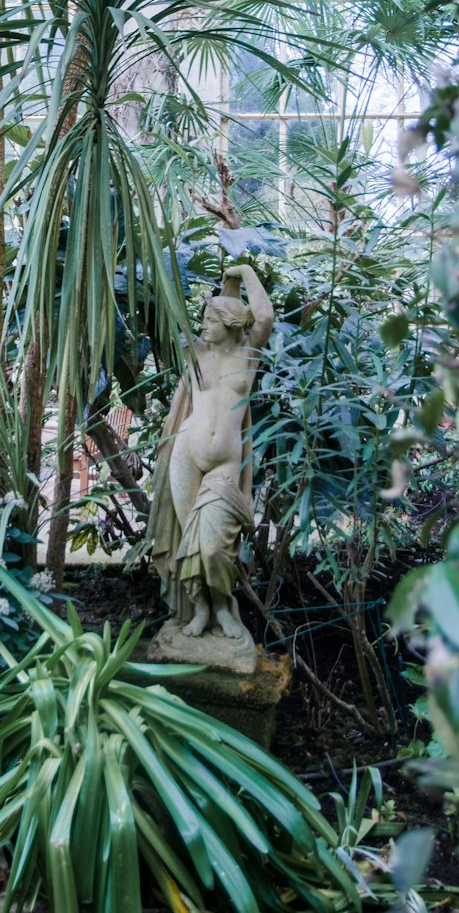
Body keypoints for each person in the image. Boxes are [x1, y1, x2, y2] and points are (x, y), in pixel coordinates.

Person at [149, 263, 274, 640]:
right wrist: (225, 287)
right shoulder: (198, 352)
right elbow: (201, 309)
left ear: (230, 325)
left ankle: (223, 606)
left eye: (209, 319)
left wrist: (244, 272)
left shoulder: (247, 357)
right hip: (186, 454)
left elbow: (263, 316)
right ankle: (201, 609)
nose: (202, 324)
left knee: (213, 547)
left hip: (224, 465)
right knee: (190, 545)